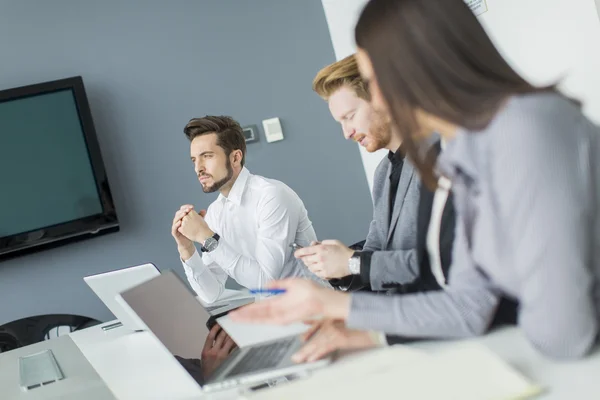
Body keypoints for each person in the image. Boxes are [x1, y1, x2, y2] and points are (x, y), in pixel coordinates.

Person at [231, 0, 600, 360]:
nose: (376, 98)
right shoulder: (462, 152)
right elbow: (469, 306)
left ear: (418, 65)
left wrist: (503, 315)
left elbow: (563, 334)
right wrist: (345, 312)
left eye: (374, 81)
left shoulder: (526, 130)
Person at [172, 115, 329, 304]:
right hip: (272, 318)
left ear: (235, 157)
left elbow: (268, 285)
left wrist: (207, 238)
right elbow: (211, 293)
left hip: (316, 313)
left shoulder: (271, 196)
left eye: (207, 156)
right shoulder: (215, 212)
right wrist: (186, 248)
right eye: (194, 160)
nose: (198, 168)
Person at [301, 54, 422, 290]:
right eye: (341, 123)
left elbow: (441, 265)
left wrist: (351, 262)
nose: (347, 132)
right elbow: (374, 253)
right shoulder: (383, 173)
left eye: (350, 117)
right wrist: (336, 267)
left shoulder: (438, 159)